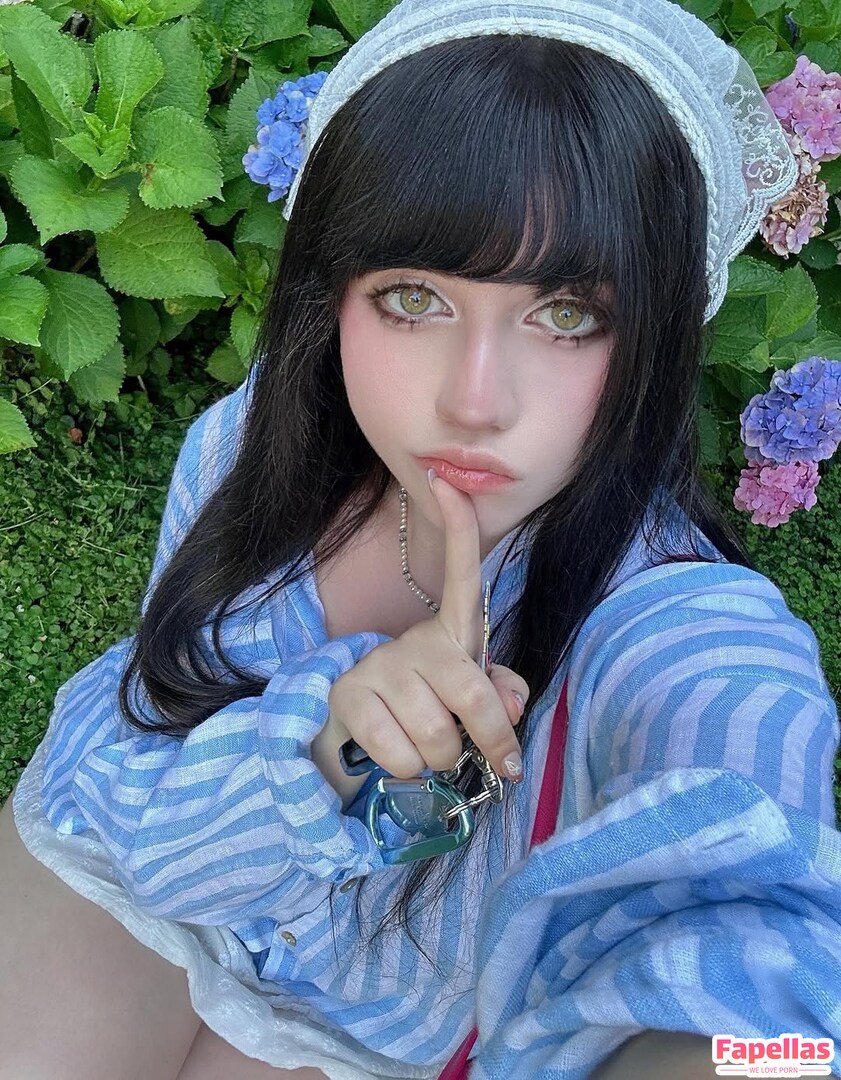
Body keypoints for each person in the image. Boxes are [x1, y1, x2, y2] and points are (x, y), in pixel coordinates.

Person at [2, 0, 841, 1077]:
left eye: (568, 314)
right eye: (411, 298)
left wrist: (749, 1055)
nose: (473, 402)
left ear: (660, 330)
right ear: (330, 294)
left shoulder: (679, 628)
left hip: (383, 1027)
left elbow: (750, 946)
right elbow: (150, 755)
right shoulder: (242, 452)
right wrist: (324, 757)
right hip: (140, 858)